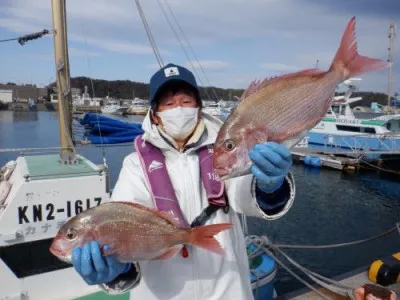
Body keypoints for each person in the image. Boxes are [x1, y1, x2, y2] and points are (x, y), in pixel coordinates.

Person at [71, 63, 296, 300]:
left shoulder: (226, 150)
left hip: (229, 291)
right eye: (168, 103)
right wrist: (118, 270)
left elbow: (244, 196)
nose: (177, 108)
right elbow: (123, 221)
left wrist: (270, 186)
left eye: (186, 101)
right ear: (155, 116)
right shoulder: (135, 165)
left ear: (199, 109)